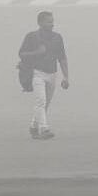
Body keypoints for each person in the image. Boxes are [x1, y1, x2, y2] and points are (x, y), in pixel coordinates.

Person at [17, 11, 69, 140]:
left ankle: (33, 126)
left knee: (46, 103)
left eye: (52, 21)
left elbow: (62, 58)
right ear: (40, 23)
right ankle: (44, 128)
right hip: (37, 73)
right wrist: (37, 52)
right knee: (40, 101)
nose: (52, 24)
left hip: (52, 74)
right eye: (48, 22)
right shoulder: (31, 37)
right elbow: (22, 54)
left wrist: (66, 76)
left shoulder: (58, 38)